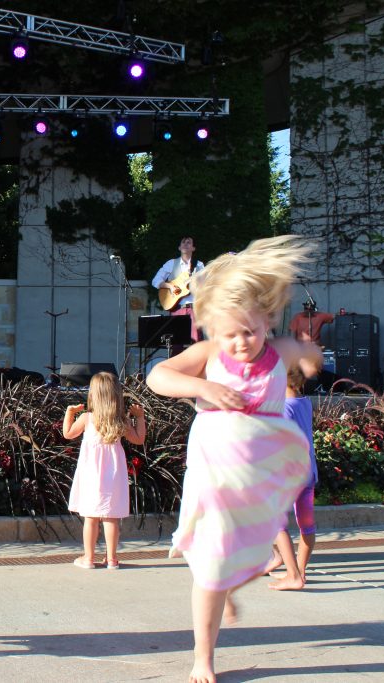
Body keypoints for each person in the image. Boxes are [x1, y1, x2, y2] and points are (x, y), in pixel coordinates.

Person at [146, 235, 322, 683]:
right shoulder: (209, 355)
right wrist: (203, 386)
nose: (241, 343)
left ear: (267, 321)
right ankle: (202, 657)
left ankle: (229, 584)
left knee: (238, 558)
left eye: (250, 331)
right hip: (214, 476)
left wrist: (310, 358)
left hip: (256, 477)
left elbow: (306, 351)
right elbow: (158, 376)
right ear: (209, 328)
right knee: (209, 569)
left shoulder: (278, 352)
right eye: (230, 334)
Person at [63, 372, 146, 569]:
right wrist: (140, 417)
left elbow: (68, 434)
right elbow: (139, 439)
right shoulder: (121, 420)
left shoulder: (87, 418)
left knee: (91, 516)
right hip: (114, 474)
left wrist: (69, 413)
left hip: (91, 474)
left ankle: (88, 558)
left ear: (93, 395)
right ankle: (112, 559)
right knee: (111, 516)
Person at [264, 365, 318, 591]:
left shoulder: (284, 407)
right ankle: (300, 572)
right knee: (307, 524)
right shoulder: (304, 402)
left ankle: (292, 574)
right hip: (308, 471)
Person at [152, 236, 206, 342]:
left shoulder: (199, 265)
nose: (185, 244)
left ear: (193, 248)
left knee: (195, 343)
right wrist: (170, 286)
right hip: (176, 309)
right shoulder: (171, 263)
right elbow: (155, 281)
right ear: (179, 247)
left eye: (189, 242)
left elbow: (204, 286)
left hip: (193, 309)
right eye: (183, 242)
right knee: (176, 343)